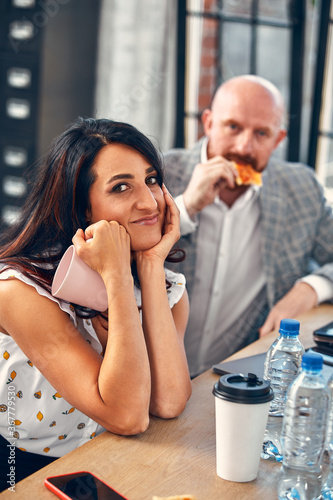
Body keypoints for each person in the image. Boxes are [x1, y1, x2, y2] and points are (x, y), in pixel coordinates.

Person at [0, 118, 192, 490]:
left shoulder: (167, 288)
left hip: (115, 464)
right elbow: (127, 416)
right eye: (122, 187)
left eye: (152, 180)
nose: (149, 201)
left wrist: (150, 268)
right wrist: (117, 277)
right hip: (26, 472)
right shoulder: (18, 290)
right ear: (83, 208)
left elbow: (167, 403)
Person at [164, 74, 333, 378]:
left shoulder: (302, 188)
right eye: (233, 127)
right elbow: (115, 252)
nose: (244, 147)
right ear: (208, 123)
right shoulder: (158, 174)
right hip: (146, 374)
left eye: (261, 134)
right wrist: (186, 206)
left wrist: (311, 288)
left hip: (234, 378)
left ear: (278, 140)